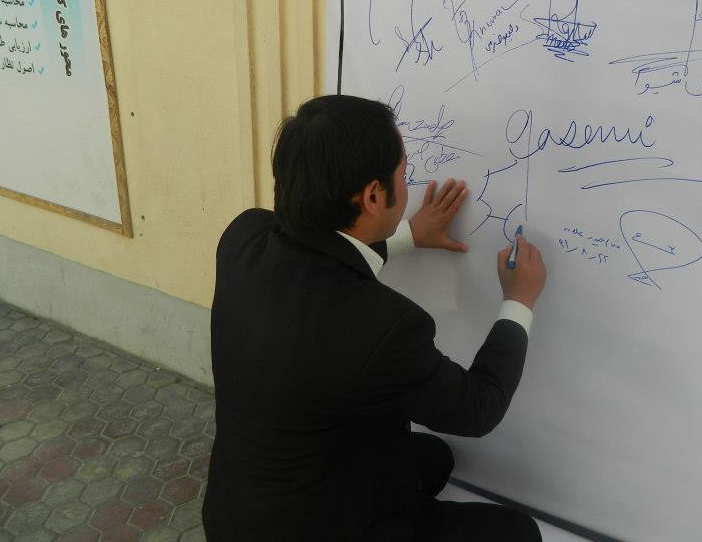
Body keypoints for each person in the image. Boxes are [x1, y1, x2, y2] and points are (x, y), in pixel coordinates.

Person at [203, 94, 547, 541]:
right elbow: (478, 408)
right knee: (519, 533)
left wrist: (406, 235)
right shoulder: (383, 328)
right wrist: (519, 301)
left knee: (434, 457)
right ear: (372, 195)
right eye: (404, 174)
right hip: (315, 527)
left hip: (238, 512)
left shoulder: (243, 237)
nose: (407, 184)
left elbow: (317, 256)